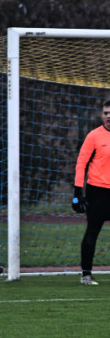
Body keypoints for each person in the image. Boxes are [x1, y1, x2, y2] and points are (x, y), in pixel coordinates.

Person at [73, 98, 110, 285]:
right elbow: (81, 163)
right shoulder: (94, 136)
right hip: (98, 192)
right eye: (106, 113)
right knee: (92, 231)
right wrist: (77, 192)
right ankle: (86, 274)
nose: (109, 116)